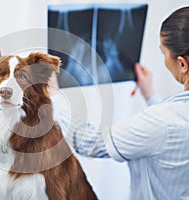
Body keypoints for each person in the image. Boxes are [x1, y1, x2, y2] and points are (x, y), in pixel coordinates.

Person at [50, 6, 189, 200]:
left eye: (163, 53)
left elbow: (91, 144)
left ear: (182, 64)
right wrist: (150, 95)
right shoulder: (171, 119)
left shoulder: (161, 122)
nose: (165, 61)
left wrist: (54, 97)